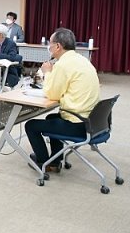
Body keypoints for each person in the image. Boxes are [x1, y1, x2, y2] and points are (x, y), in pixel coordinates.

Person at [24, 28, 99, 171]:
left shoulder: (63, 65)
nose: (49, 47)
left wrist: (47, 73)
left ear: (58, 46)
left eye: (50, 43)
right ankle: (55, 161)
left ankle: (43, 162)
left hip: (78, 124)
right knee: (51, 117)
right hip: (92, 121)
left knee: (31, 125)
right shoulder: (82, 59)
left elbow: (52, 94)